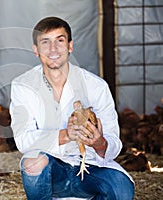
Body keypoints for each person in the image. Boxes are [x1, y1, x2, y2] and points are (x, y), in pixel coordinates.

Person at [9, 16, 135, 200]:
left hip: (92, 167)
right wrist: (66, 135)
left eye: (60, 40)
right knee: (32, 162)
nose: (53, 49)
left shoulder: (95, 86)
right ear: (36, 50)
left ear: (70, 46)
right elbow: (23, 140)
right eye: (45, 42)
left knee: (122, 191)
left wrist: (99, 143)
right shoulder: (23, 86)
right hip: (53, 171)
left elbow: (114, 143)